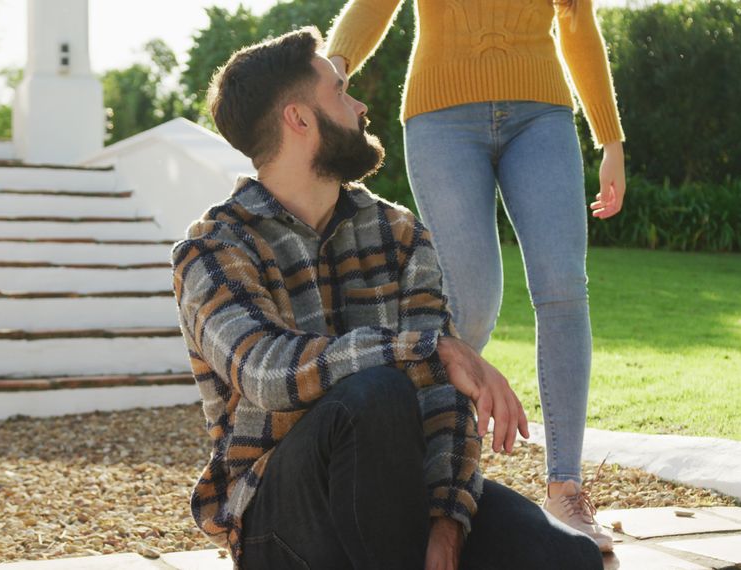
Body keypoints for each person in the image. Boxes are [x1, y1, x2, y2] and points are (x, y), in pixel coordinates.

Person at [170, 27, 605, 570]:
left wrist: (447, 524)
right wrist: (429, 349)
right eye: (339, 91)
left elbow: (444, 400)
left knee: (568, 559)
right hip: (282, 524)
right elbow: (265, 371)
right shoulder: (213, 248)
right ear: (299, 119)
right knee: (374, 394)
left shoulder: (398, 233)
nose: (360, 105)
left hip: (406, 495)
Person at [325, 0, 627, 551]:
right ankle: (431, 474)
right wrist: (335, 65)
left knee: (563, 289)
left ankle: (566, 488)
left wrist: (609, 138)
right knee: (472, 300)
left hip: (542, 112)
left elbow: (577, 18)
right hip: (441, 113)